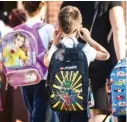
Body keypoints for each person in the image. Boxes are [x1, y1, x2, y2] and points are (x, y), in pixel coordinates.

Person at [61, 2, 126, 122]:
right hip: (101, 62)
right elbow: (119, 30)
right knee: (100, 112)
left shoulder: (67, 2)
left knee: (76, 111)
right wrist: (122, 63)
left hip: (75, 65)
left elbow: (62, 29)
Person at [44, 6, 110, 122]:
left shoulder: (56, 50)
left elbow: (46, 62)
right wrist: (89, 39)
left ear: (59, 27)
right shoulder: (84, 49)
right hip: (81, 102)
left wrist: (54, 43)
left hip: (61, 102)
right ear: (79, 27)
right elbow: (105, 55)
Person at [20, 1, 56, 122]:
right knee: (42, 117)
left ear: (24, 8)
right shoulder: (48, 29)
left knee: (33, 116)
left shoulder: (18, 31)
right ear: (43, 7)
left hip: (24, 79)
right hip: (43, 79)